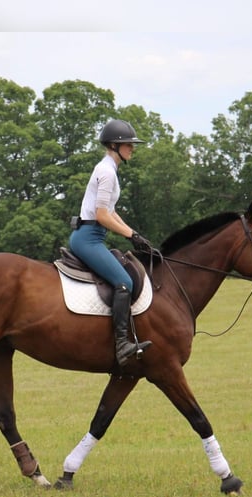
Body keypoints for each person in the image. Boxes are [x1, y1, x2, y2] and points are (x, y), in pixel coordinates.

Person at [69, 119, 154, 366]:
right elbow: (101, 215)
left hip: (94, 237)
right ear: (115, 145)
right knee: (124, 282)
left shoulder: (110, 170)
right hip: (88, 238)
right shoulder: (106, 172)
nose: (132, 149)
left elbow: (111, 211)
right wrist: (129, 236)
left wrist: (135, 234)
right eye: (129, 144)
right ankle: (121, 344)